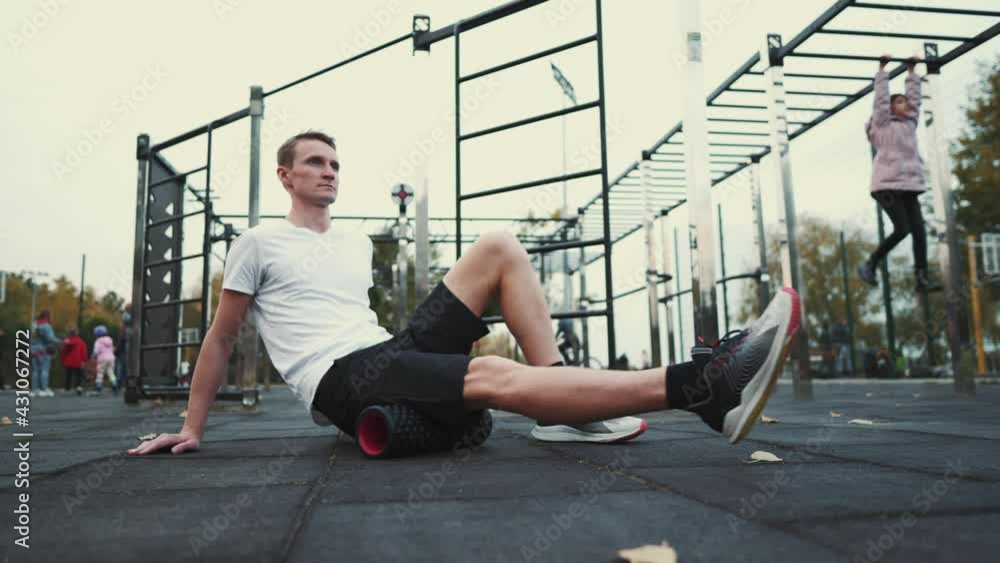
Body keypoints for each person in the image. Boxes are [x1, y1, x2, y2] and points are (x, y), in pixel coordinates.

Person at [129, 131, 800, 457]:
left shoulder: (353, 244)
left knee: (500, 246)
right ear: (285, 175)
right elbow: (220, 338)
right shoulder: (257, 242)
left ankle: (565, 403)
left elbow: (363, 321)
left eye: (335, 163)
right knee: (489, 373)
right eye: (314, 162)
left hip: (381, 350)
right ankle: (702, 389)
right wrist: (192, 427)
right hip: (339, 378)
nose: (329, 172)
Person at [858, 54, 940, 292]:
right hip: (886, 186)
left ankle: (921, 279)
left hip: (909, 186)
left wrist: (912, 71)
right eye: (901, 102)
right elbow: (881, 100)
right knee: (903, 229)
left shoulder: (909, 123)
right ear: (892, 107)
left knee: (919, 233)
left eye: (906, 102)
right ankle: (870, 263)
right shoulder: (882, 124)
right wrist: (882, 69)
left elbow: (916, 99)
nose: (907, 105)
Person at [29, 309, 60, 397]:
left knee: (35, 370)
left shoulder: (33, 325)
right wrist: (63, 341)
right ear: (47, 316)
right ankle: (44, 389)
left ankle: (35, 390)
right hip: (44, 351)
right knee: (44, 370)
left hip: (33, 350)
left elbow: (30, 338)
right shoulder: (46, 326)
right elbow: (51, 339)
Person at [61, 326, 88, 395]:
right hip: (78, 361)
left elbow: (64, 352)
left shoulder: (67, 341)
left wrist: (63, 361)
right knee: (78, 375)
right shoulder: (81, 342)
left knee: (68, 375)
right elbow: (84, 352)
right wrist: (84, 361)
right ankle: (78, 387)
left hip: (69, 361)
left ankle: (67, 388)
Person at [91, 325, 118, 395]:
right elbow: (112, 349)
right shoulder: (110, 339)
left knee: (100, 372)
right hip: (111, 358)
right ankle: (114, 384)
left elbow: (96, 351)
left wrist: (93, 356)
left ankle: (98, 386)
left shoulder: (98, 341)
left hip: (102, 358)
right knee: (111, 372)